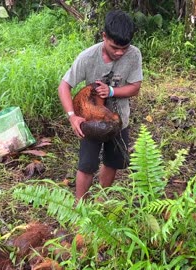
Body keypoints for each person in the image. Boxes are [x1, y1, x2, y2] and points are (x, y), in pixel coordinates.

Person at [58, 10, 143, 201]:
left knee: (112, 162)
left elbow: (135, 87)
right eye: (115, 47)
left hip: (120, 120)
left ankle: (100, 202)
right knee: (86, 165)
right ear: (104, 36)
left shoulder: (134, 55)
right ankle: (80, 206)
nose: (120, 53)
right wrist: (72, 116)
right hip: (91, 120)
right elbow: (64, 86)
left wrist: (112, 92)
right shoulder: (88, 57)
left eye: (124, 48)